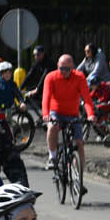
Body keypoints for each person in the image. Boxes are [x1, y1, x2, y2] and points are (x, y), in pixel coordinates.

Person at [42, 53, 90, 182]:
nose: (64, 72)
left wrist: (91, 115)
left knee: (79, 143)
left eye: (67, 69)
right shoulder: (51, 77)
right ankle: (52, 156)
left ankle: (78, 178)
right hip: (56, 112)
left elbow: (87, 99)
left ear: (73, 68)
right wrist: (46, 114)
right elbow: (46, 97)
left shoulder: (79, 77)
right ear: (58, 66)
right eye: (61, 68)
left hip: (73, 114)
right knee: (52, 128)